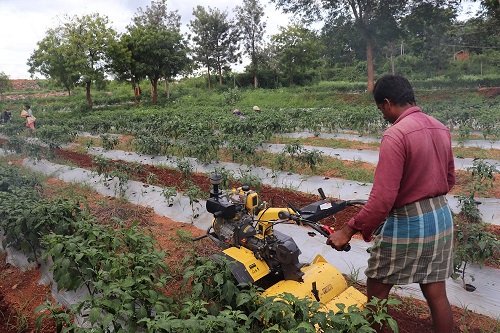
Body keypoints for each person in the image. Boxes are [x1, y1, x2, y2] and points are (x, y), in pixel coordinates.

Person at [327, 75, 455, 333]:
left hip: (410, 221)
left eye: (380, 109)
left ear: (387, 103)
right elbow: (450, 178)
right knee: (435, 291)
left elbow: (382, 199)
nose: (383, 115)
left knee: (377, 285)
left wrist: (347, 230)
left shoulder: (395, 134)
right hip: (441, 217)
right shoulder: (440, 127)